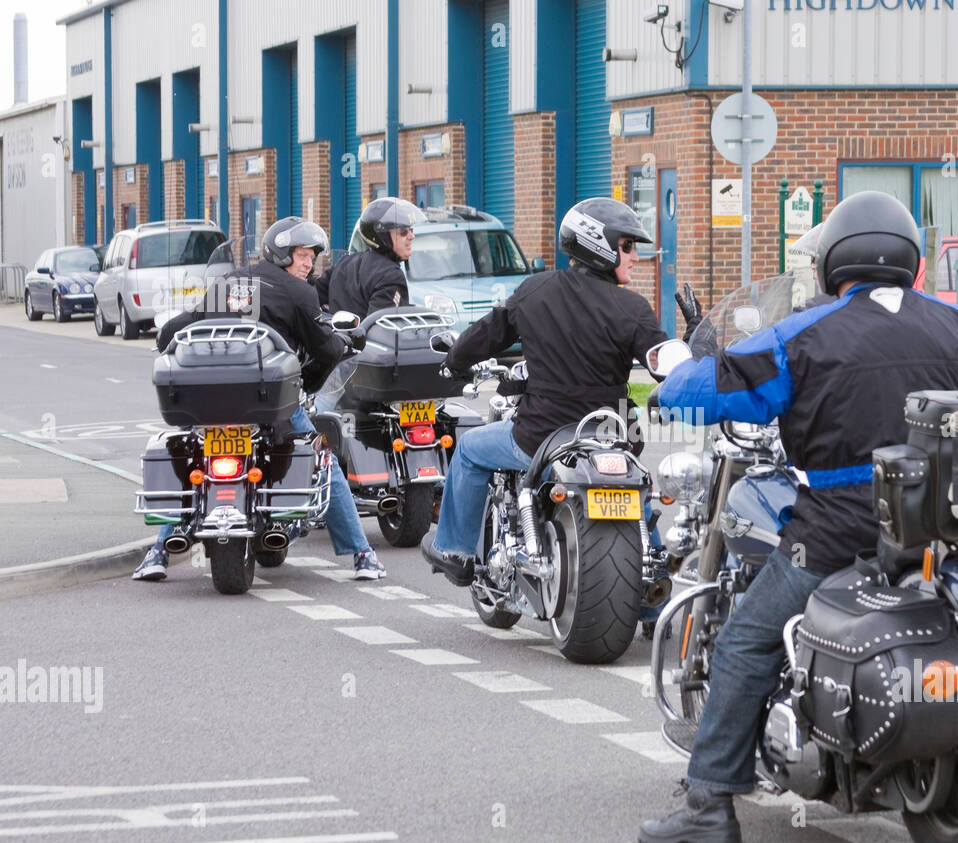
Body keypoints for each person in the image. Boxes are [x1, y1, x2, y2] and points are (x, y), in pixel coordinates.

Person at [637, 191, 958, 843]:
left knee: (744, 642)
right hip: (952, 526)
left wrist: (677, 372)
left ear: (832, 264)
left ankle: (709, 802)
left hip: (842, 529)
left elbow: (695, 394)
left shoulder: (806, 331)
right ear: (911, 261)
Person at [420, 197, 688, 586]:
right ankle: (651, 586)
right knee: (635, 493)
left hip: (538, 437)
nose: (634, 257)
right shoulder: (632, 309)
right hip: (612, 437)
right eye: (627, 246)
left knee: (470, 450)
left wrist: (454, 362)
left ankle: (455, 550)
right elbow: (664, 362)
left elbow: (485, 335)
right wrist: (695, 351)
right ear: (600, 245)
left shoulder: (534, 291)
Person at [133, 216, 388, 582]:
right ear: (281, 254)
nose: (308, 264)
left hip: (208, 405)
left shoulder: (228, 282)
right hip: (269, 406)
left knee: (186, 464)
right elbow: (325, 347)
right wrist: (345, 345)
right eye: (302, 255)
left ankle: (158, 552)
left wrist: (165, 336)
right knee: (323, 461)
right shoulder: (299, 293)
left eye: (312, 257)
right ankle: (363, 555)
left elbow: (189, 321)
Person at [313, 196, 423, 316]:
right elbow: (383, 327)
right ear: (383, 236)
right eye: (403, 231)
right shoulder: (391, 275)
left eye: (411, 230)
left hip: (338, 334)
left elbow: (312, 296)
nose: (411, 236)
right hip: (363, 335)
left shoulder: (344, 263)